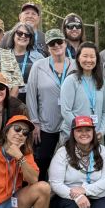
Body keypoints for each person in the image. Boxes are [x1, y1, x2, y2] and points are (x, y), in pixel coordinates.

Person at [26, 29, 74, 181]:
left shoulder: (76, 65)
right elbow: (31, 95)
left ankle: (61, 192)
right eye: (52, 43)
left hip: (71, 123)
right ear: (47, 47)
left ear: (65, 43)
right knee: (43, 160)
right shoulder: (39, 66)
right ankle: (39, 190)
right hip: (46, 124)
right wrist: (34, 122)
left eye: (59, 42)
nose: (56, 45)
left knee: (69, 161)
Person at [60, 42, 105, 144]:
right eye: (85, 56)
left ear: (97, 59)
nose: (89, 60)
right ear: (78, 58)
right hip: (74, 136)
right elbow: (66, 111)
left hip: (96, 137)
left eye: (92, 57)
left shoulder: (102, 82)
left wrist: (101, 131)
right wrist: (83, 132)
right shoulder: (71, 80)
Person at [1, 21, 44, 104]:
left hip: (32, 101)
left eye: (27, 35)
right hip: (7, 100)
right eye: (19, 33)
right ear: (13, 35)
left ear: (30, 38)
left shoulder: (38, 58)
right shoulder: (2, 55)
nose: (23, 36)